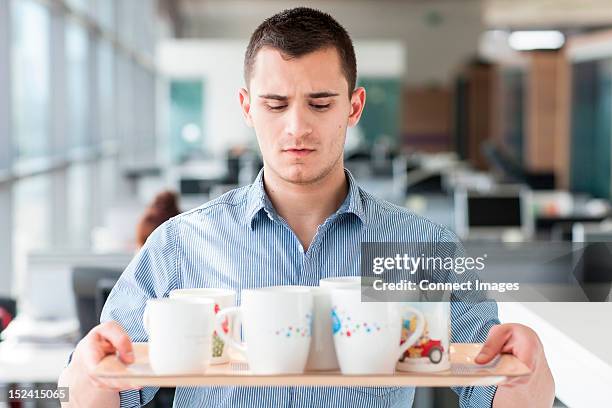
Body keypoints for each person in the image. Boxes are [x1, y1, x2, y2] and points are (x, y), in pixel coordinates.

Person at [58, 7, 554, 407]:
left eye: (319, 103)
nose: (297, 127)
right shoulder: (179, 245)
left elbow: (493, 388)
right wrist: (87, 372)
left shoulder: (421, 247)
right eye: (275, 104)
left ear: (354, 107)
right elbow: (102, 393)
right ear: (248, 106)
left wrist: (527, 377)